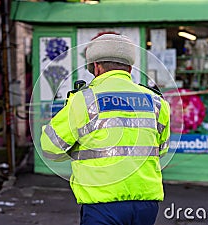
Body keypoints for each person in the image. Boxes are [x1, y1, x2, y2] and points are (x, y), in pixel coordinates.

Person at [40, 34, 170, 225]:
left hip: (103, 205)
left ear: (97, 67)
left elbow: (50, 148)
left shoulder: (83, 100)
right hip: (146, 204)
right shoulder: (156, 102)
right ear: (129, 68)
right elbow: (162, 149)